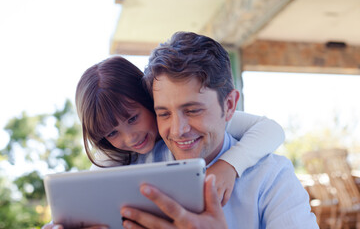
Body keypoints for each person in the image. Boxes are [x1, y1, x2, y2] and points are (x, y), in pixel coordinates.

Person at [42, 54, 284, 228]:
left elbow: (271, 129)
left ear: (147, 98)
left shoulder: (199, 123)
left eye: (133, 118)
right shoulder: (114, 156)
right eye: (112, 133)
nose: (130, 137)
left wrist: (229, 165)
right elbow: (88, 198)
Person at [119, 31, 319, 229]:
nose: (178, 130)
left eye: (193, 110)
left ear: (230, 105)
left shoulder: (271, 178)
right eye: (163, 114)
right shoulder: (132, 172)